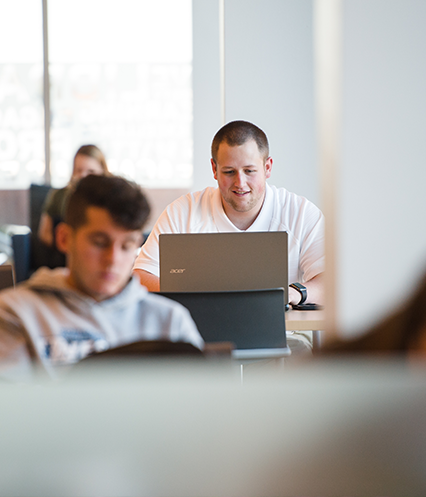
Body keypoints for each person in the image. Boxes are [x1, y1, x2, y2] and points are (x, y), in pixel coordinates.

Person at [0, 175, 203, 381]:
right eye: (99, 243)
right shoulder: (16, 314)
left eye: (126, 246)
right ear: (64, 238)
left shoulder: (170, 322)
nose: (113, 260)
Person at [133, 120, 324, 307]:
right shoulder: (183, 211)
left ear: (268, 168)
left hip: (285, 335)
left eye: (249, 171)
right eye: (229, 172)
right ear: (215, 169)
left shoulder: (300, 212)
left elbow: (332, 281)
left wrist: (295, 292)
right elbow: (140, 276)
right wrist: (192, 297)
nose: (240, 183)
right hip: (198, 332)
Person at [38, 144, 110, 249]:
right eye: (79, 170)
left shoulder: (111, 198)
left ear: (103, 171)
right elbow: (44, 233)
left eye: (91, 171)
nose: (84, 176)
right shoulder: (59, 195)